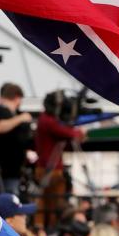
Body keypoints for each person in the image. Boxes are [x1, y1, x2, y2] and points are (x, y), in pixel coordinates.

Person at [35, 94, 86, 228]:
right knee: (53, 203)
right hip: (51, 170)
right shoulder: (49, 121)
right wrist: (79, 133)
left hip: (46, 168)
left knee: (46, 203)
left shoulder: (43, 119)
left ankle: (44, 226)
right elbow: (69, 134)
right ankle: (51, 227)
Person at [0, 82, 33, 199]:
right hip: (3, 174)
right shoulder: (1, 112)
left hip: (3, 173)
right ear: (17, 98)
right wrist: (21, 118)